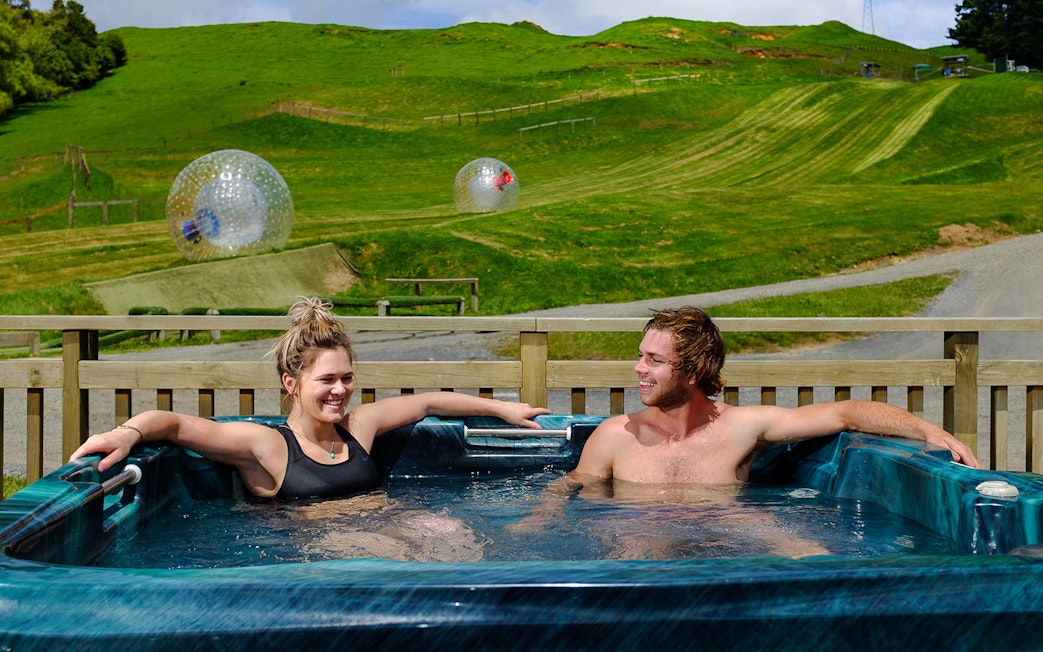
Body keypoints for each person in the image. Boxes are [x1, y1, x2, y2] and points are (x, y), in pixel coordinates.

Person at [70, 297, 550, 500]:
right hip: (331, 559)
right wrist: (126, 433)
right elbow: (174, 424)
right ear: (291, 383)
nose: (340, 390)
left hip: (391, 534)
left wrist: (503, 408)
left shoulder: (358, 428)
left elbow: (427, 402)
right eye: (326, 380)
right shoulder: (267, 447)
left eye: (346, 378)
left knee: (453, 534)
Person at [572, 306, 980, 485]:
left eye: (654, 360)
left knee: (803, 552)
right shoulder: (614, 437)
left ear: (693, 373)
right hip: (641, 562)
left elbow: (846, 413)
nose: (638, 368)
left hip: (724, 556)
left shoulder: (743, 428)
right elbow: (564, 498)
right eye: (640, 356)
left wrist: (927, 430)